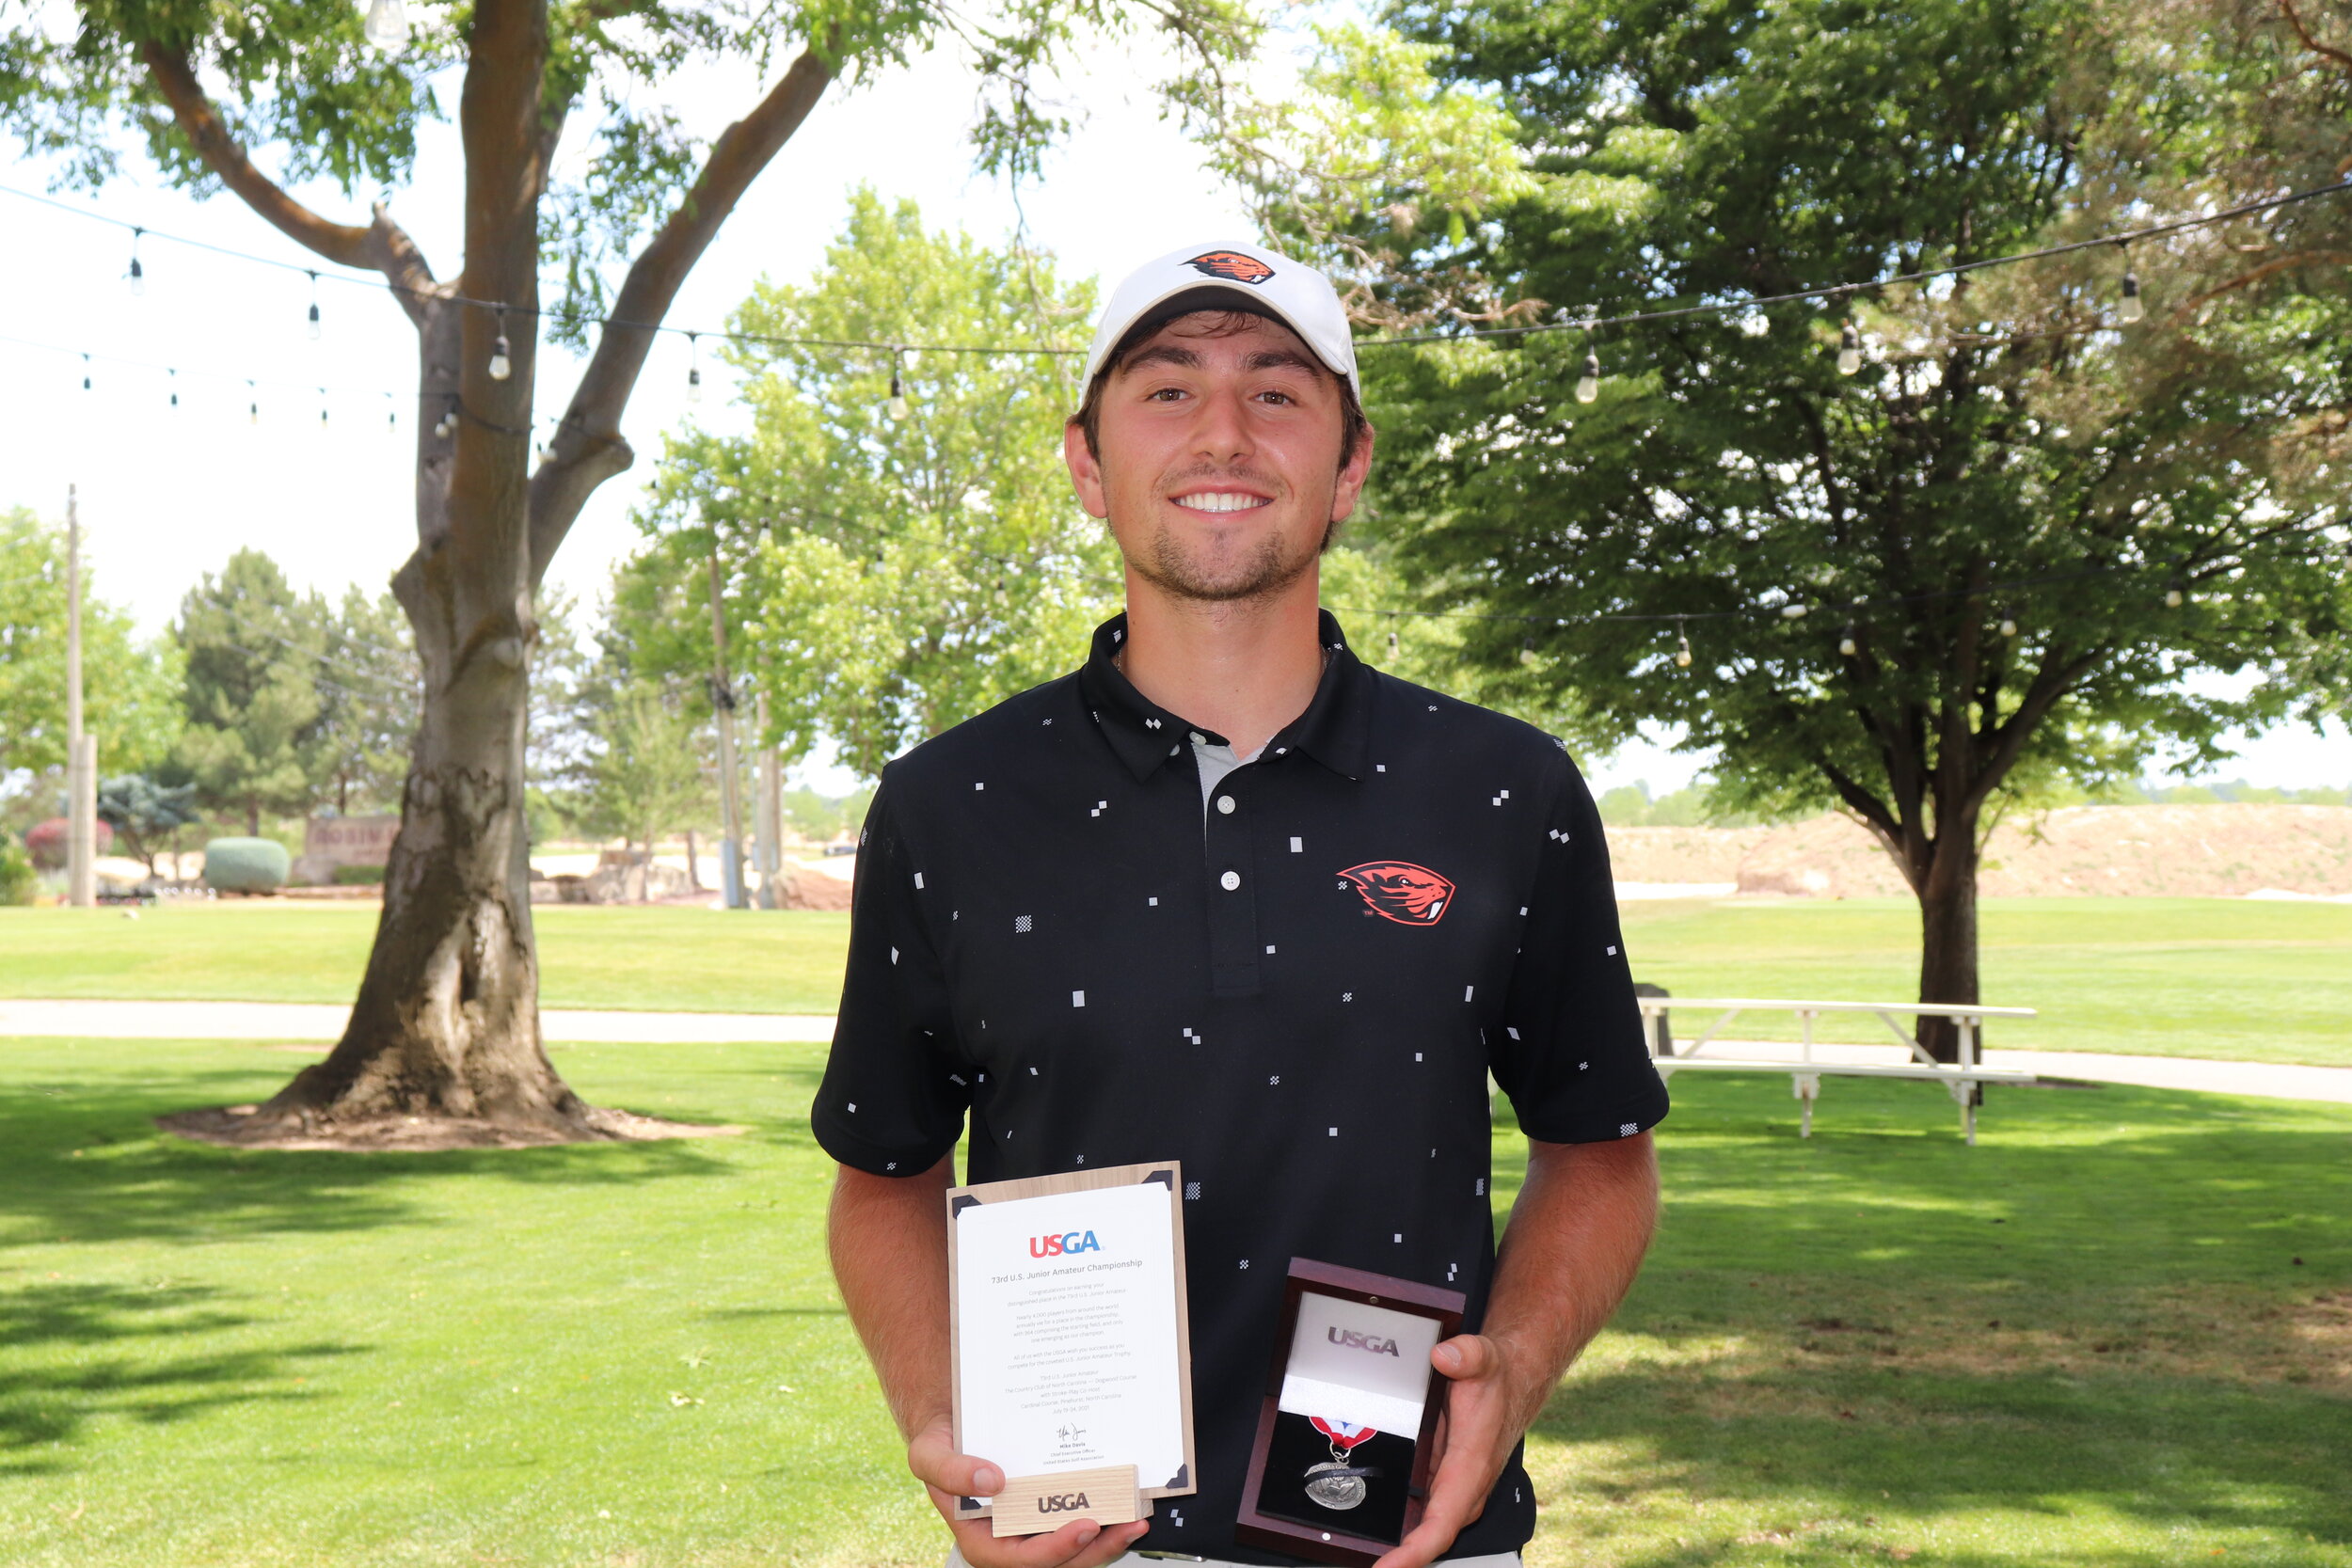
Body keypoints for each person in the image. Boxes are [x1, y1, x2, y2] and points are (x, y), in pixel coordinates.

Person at [816, 239, 1668, 1568]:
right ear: (1088, 463)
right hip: (1075, 1529)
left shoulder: (1506, 789)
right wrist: (942, 1418)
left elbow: (1603, 1150)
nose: (1224, 431)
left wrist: (1518, 1363)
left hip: (1410, 1538)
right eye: (1167, 390)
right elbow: (884, 1177)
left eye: (1277, 391)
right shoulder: (948, 805)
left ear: (1352, 465)